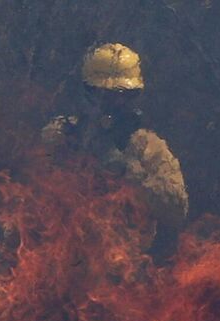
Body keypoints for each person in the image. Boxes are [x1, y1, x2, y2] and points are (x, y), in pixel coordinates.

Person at [43, 43, 189, 260]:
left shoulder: (149, 148)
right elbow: (33, 187)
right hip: (60, 255)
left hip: (122, 264)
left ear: (132, 96)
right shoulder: (59, 135)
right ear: (88, 91)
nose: (111, 103)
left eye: (121, 95)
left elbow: (176, 209)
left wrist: (126, 170)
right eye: (102, 93)